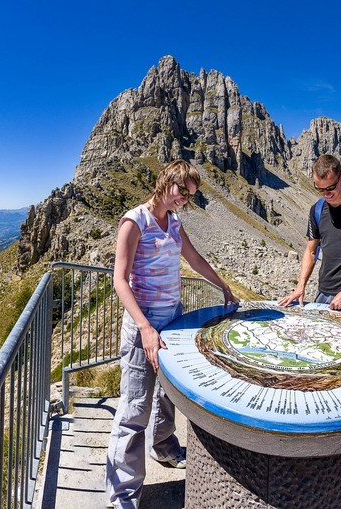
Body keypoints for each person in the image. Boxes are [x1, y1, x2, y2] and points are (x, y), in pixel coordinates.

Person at [105, 159, 238, 509]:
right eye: (182, 192)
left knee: (168, 394)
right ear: (166, 182)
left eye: (189, 197)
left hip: (173, 321)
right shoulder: (135, 221)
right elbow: (120, 280)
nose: (183, 201)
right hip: (142, 326)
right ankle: (124, 494)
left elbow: (193, 259)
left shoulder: (175, 223)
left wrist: (223, 285)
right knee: (135, 409)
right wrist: (145, 328)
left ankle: (163, 448)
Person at [279, 155, 341, 312]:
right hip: (324, 293)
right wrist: (300, 287)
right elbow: (311, 251)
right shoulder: (316, 210)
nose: (326, 194)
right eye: (320, 189)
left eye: (330, 188)